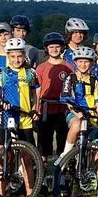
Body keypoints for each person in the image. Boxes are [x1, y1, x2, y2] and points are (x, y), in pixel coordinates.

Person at [0, 38, 41, 197]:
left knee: (26, 157)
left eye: (19, 56)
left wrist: (36, 109)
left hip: (25, 119)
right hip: (6, 119)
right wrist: (1, 103)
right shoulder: (1, 73)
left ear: (24, 56)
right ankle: (1, 193)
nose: (16, 60)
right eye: (12, 57)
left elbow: (36, 95)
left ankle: (30, 194)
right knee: (6, 157)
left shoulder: (30, 73)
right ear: (8, 56)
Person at [60, 46, 98, 197]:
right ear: (75, 62)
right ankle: (66, 153)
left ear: (91, 63)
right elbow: (68, 100)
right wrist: (78, 113)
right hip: (74, 113)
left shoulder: (95, 81)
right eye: (80, 62)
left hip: (92, 116)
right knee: (78, 124)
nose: (83, 65)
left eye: (86, 62)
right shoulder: (70, 78)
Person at [36, 32, 72, 161]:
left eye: (57, 46)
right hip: (45, 108)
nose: (54, 49)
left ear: (62, 47)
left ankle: (62, 172)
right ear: (46, 48)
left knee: (63, 140)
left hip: (63, 108)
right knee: (44, 142)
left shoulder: (68, 67)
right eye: (51, 47)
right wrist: (36, 109)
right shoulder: (41, 68)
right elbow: (37, 91)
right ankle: (43, 170)